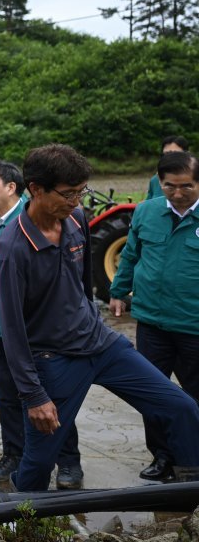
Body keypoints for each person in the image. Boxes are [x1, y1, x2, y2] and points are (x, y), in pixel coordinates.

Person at [0, 144, 199, 491]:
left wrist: (91, 318)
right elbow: (12, 329)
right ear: (36, 189)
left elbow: (81, 284)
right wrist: (33, 395)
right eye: (68, 193)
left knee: (181, 407)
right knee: (40, 460)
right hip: (55, 359)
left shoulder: (75, 220)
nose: (76, 201)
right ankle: (17, 520)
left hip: (102, 345)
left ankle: (188, 488)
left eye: (81, 192)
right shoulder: (14, 247)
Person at [0, 160, 82, 487]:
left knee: (54, 396)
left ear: (12, 187)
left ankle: (68, 462)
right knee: (9, 395)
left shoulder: (35, 222)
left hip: (38, 332)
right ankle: (14, 453)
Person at [111, 151, 199, 483]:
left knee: (194, 396)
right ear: (159, 183)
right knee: (153, 394)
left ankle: (192, 464)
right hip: (152, 323)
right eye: (169, 186)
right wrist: (118, 291)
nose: (177, 194)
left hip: (194, 325)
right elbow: (130, 254)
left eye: (186, 186)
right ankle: (162, 457)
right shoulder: (147, 212)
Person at [145, 136, 188, 200]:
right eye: (166, 154)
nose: (170, 157)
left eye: (175, 154)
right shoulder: (155, 180)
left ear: (187, 154)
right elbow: (148, 205)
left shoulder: (195, 178)